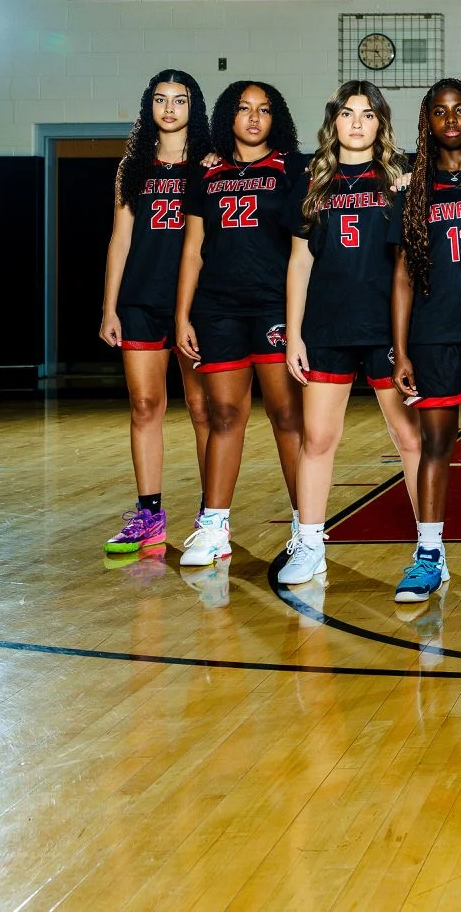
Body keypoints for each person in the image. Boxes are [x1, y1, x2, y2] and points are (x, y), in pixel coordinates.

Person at [277, 81, 423, 588]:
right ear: (333, 121)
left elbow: (412, 264)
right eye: (347, 113)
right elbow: (299, 263)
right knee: (318, 439)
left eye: (367, 113)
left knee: (409, 438)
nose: (356, 122)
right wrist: (294, 335)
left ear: (380, 123)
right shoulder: (312, 183)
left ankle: (430, 550)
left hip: (385, 329)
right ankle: (310, 541)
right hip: (327, 327)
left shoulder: (401, 181)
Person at [173, 81, 304, 568]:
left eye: (264, 110)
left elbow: (302, 248)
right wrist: (183, 314)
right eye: (244, 109)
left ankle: (304, 525)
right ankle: (214, 524)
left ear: (276, 118)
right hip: (218, 309)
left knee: (286, 417)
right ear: (228, 115)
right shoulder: (206, 174)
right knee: (224, 417)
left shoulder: (293, 168)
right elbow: (192, 249)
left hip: (273, 306)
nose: (254, 118)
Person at [390, 80, 461, 604]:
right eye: (440, 112)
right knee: (436, 444)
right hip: (434, 334)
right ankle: (430, 553)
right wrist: (403, 348)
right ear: (427, 122)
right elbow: (401, 279)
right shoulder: (415, 190)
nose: (451, 119)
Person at [98, 70, 212, 557]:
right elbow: (120, 240)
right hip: (141, 301)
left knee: (204, 409)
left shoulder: (210, 165)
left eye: (180, 100)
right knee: (145, 407)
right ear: (149, 108)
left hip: (198, 302)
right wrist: (109, 307)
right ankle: (149, 515)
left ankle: (213, 517)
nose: (170, 108)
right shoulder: (132, 167)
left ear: (194, 108)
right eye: (161, 100)